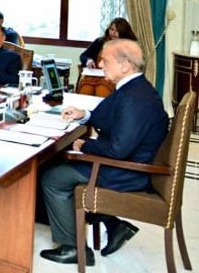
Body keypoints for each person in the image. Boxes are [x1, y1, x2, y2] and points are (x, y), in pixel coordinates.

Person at [39, 39, 168, 266]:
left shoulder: (133, 99)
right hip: (127, 163)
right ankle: (114, 225)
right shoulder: (134, 88)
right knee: (54, 162)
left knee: (52, 177)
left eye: (105, 60)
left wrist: (84, 145)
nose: (100, 64)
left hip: (125, 171)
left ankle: (74, 248)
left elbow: (117, 149)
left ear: (125, 65)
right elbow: (109, 116)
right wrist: (84, 115)